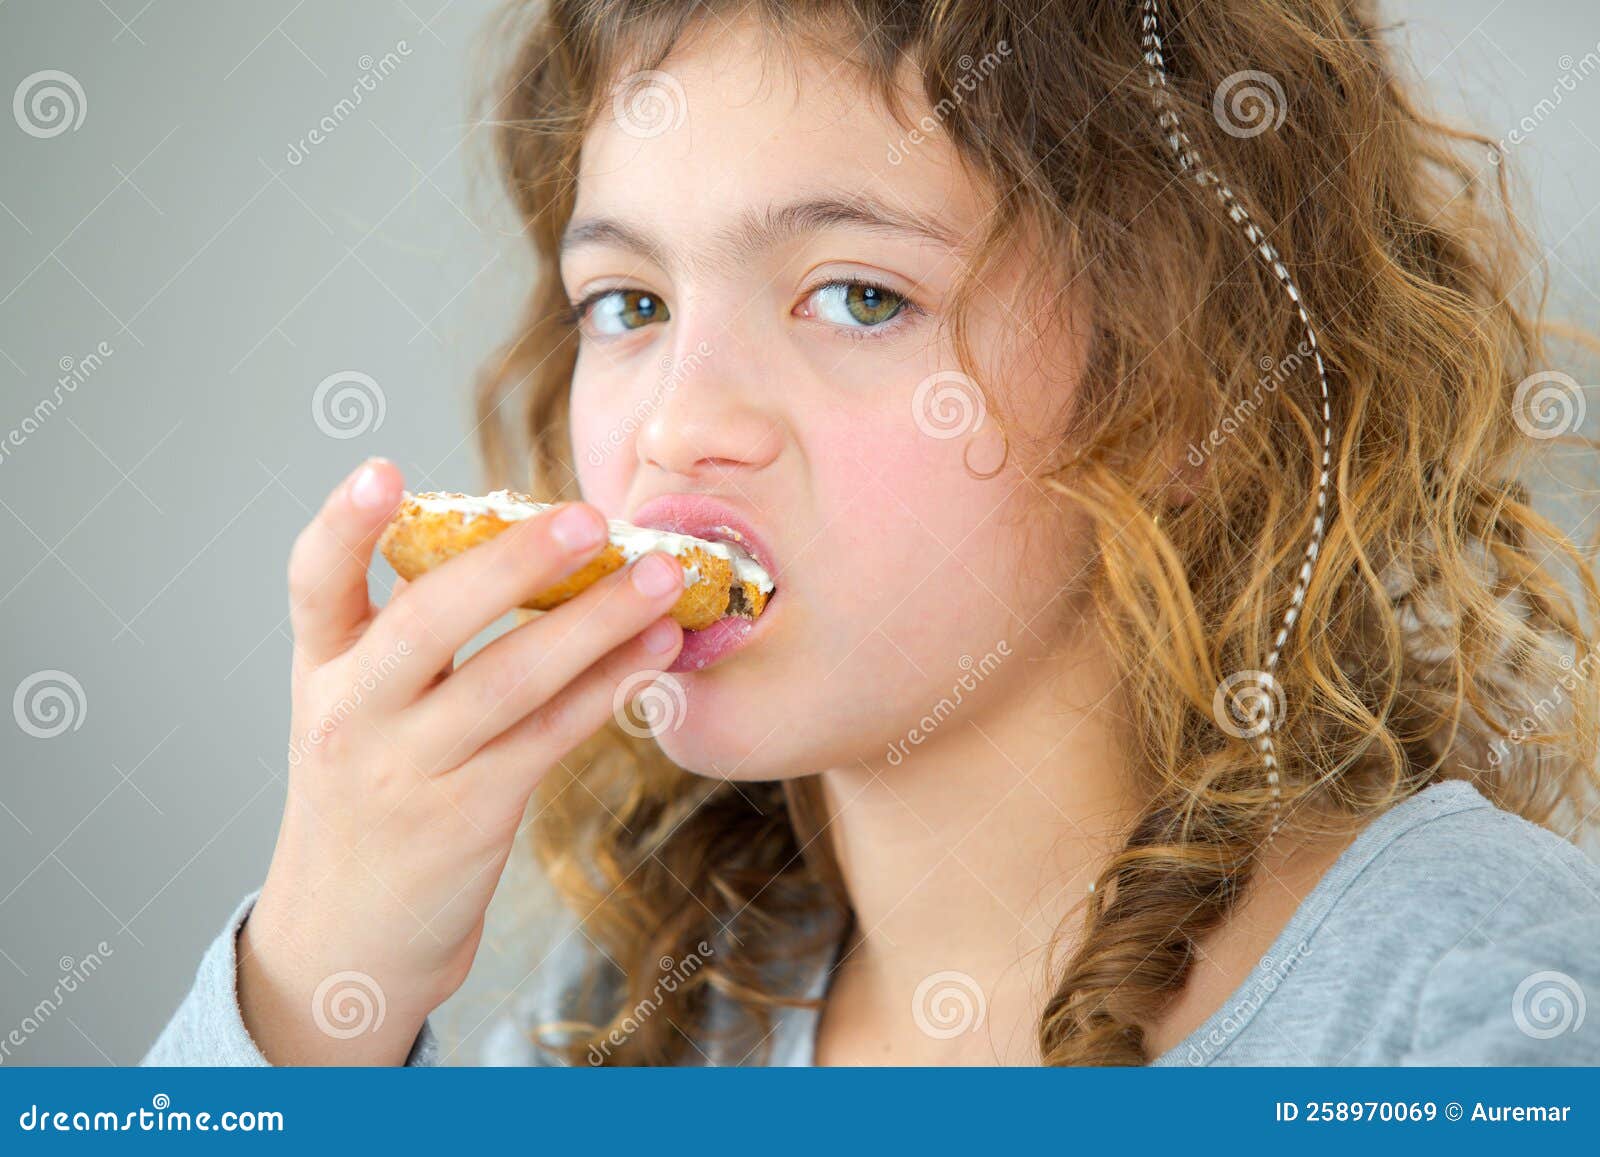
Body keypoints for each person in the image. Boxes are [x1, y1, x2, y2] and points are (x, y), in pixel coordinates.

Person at [146, 0, 1600, 1067]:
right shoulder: (648, 1017)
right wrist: (315, 988)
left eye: (858, 297)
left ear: (1187, 393)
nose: (675, 426)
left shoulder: (1476, 1002)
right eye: (631, 305)